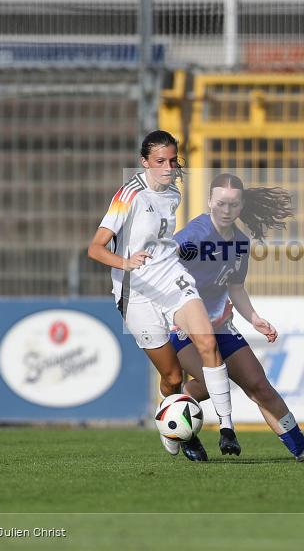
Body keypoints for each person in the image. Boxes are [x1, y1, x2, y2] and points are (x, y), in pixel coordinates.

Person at [87, 130, 233, 462]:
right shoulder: (129, 194)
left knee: (208, 345)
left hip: (171, 281)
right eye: (160, 162)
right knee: (172, 377)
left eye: (172, 161)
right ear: (144, 162)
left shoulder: (172, 194)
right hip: (135, 293)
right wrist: (126, 262)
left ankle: (226, 427)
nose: (168, 168)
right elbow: (95, 248)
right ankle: (174, 429)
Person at [169, 173, 304, 463]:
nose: (226, 210)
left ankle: (302, 451)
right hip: (182, 327)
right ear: (209, 202)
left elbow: (235, 287)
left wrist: (254, 318)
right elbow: (162, 267)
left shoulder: (240, 242)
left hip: (220, 326)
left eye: (233, 204)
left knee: (259, 385)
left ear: (241, 206)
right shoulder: (195, 235)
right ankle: (176, 416)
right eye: (220, 203)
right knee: (209, 384)